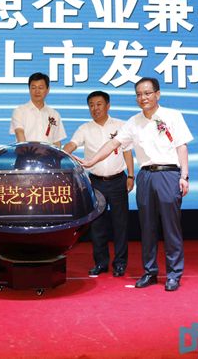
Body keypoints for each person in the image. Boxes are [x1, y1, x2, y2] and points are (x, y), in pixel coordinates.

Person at [76, 78, 192, 291]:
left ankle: (174, 274)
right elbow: (114, 143)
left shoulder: (172, 116)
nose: (143, 98)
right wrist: (92, 161)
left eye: (147, 93)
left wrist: (184, 176)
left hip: (168, 173)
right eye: (139, 94)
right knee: (147, 227)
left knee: (171, 227)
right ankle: (150, 271)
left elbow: (181, 146)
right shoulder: (133, 122)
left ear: (157, 94)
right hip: (145, 175)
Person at [63, 91, 135, 277]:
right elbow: (72, 144)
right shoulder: (85, 128)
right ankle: (101, 263)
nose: (95, 108)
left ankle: (120, 263)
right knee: (97, 226)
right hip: (95, 183)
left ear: (108, 105)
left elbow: (127, 151)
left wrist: (131, 175)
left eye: (99, 104)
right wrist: (63, 151)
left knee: (120, 224)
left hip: (118, 181)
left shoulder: (120, 125)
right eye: (91, 105)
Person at [10, 72, 66, 147]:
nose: (37, 91)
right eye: (33, 88)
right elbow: (19, 134)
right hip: (26, 153)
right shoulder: (19, 111)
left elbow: (57, 142)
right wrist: (26, 152)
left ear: (47, 90)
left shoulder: (54, 114)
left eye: (40, 88)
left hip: (48, 154)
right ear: (29, 89)